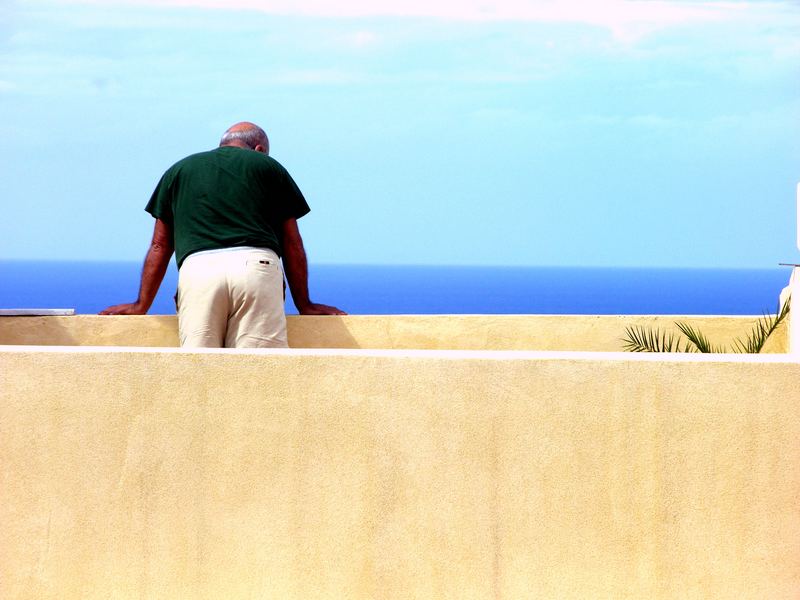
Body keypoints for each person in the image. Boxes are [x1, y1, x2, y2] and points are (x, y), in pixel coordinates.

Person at [100, 121, 345, 348]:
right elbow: (292, 243)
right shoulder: (269, 167)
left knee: (201, 371)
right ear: (259, 149)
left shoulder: (179, 170)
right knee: (261, 373)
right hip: (257, 269)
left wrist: (141, 304)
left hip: (198, 272)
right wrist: (305, 304)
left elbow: (159, 245)